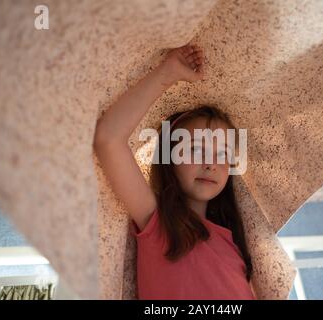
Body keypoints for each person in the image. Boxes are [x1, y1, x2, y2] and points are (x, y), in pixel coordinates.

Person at [93, 44, 256, 300]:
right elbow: (108, 138)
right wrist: (166, 74)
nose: (211, 163)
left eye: (223, 154)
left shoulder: (234, 244)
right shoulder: (158, 222)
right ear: (168, 157)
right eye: (195, 149)